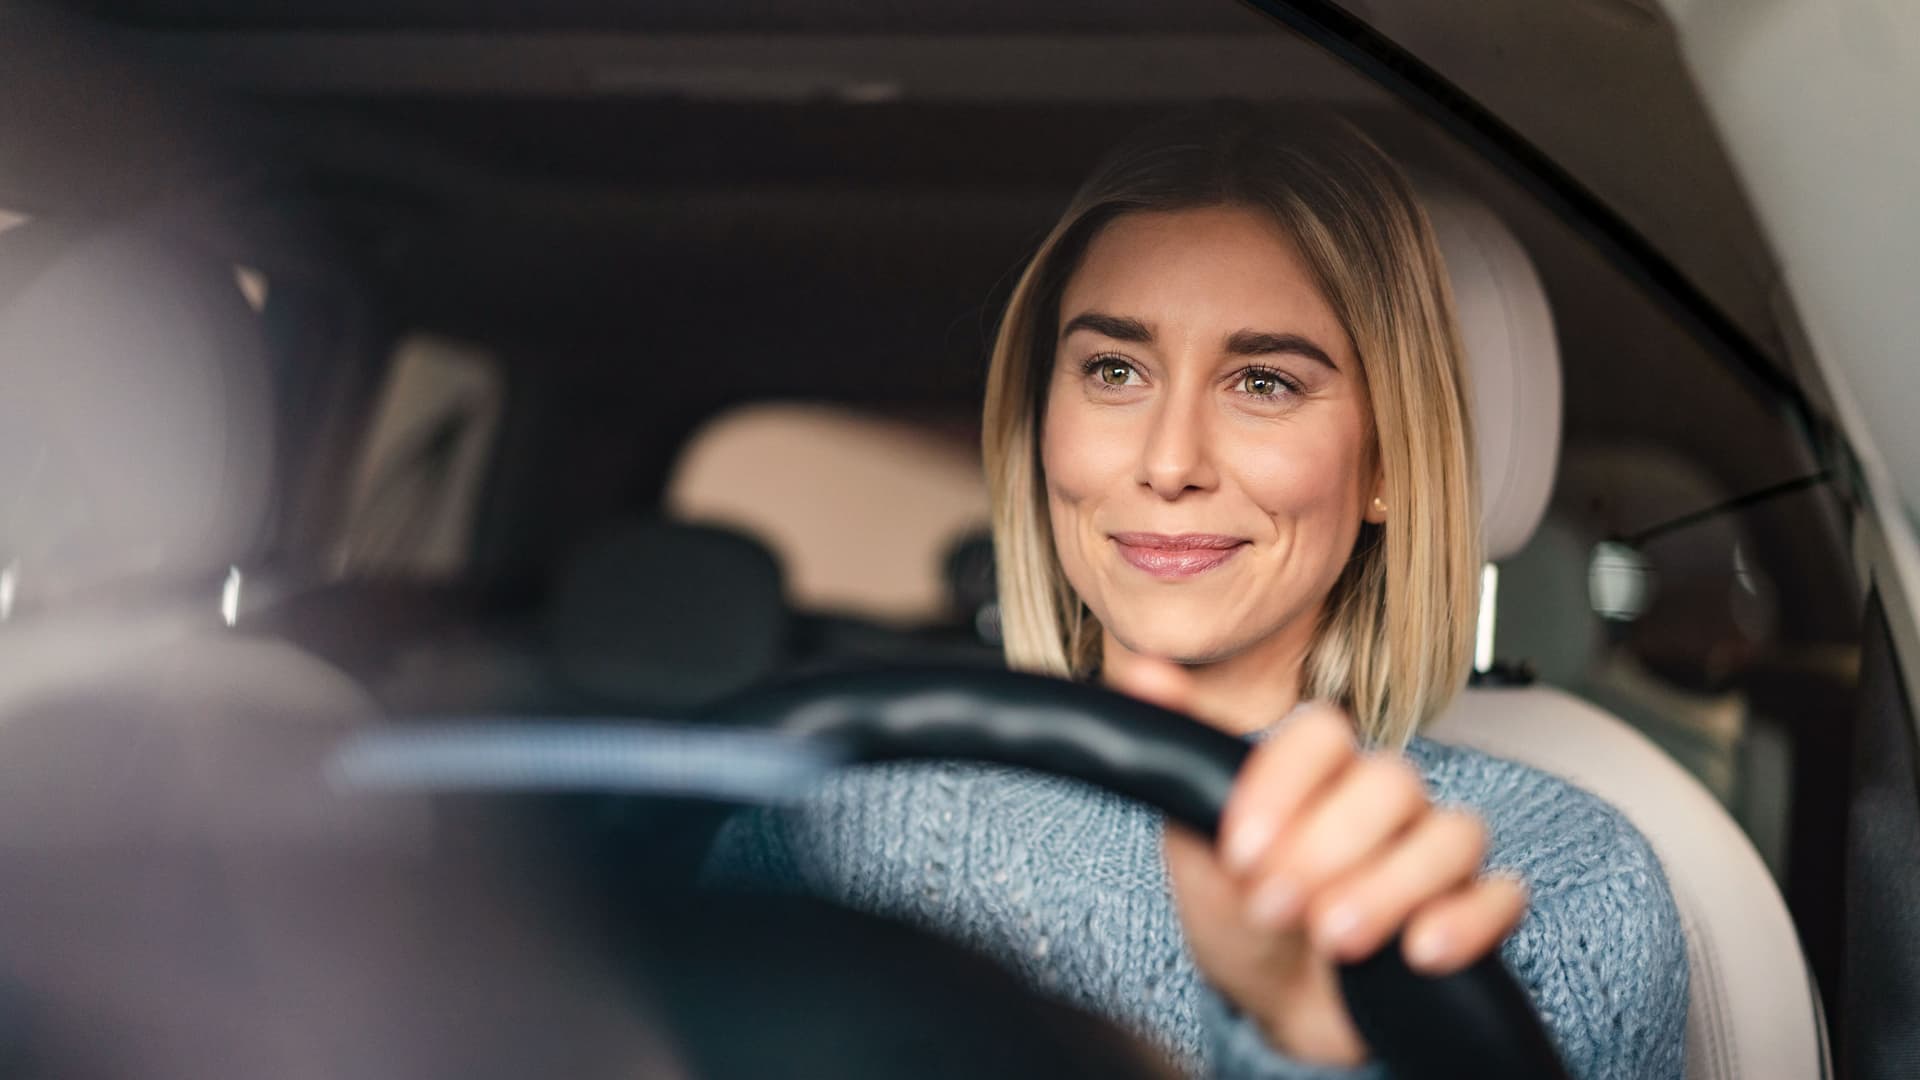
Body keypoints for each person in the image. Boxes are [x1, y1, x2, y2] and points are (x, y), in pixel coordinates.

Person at [704, 107, 1688, 1079]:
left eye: (1263, 383)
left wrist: (1307, 1040)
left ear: (1388, 460)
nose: (1170, 463)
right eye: (1114, 369)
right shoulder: (826, 824)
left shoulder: (1559, 880)